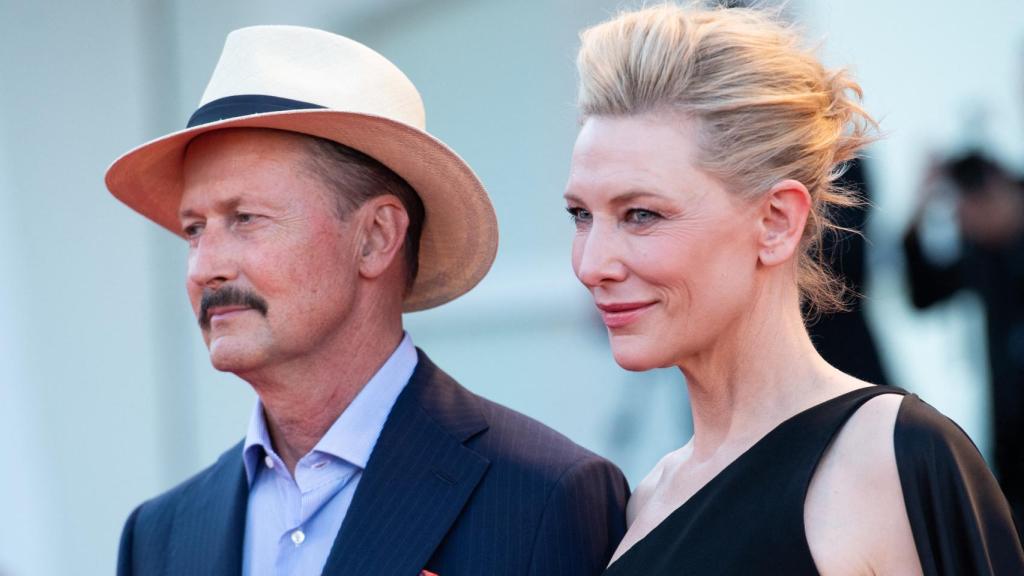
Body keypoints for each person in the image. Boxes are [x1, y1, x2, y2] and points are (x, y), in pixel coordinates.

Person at [106, 25, 628, 576]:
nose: (205, 266)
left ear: (376, 237)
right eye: (194, 229)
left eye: (245, 219)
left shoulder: (543, 497)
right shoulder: (158, 537)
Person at [562, 5, 1024, 575]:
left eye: (640, 214)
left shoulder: (886, 460)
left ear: (777, 221)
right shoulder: (644, 502)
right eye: (581, 216)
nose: (591, 264)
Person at [904, 151, 1024, 520]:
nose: (960, 217)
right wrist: (919, 211)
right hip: (1012, 439)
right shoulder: (984, 254)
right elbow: (924, 295)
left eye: (968, 203)